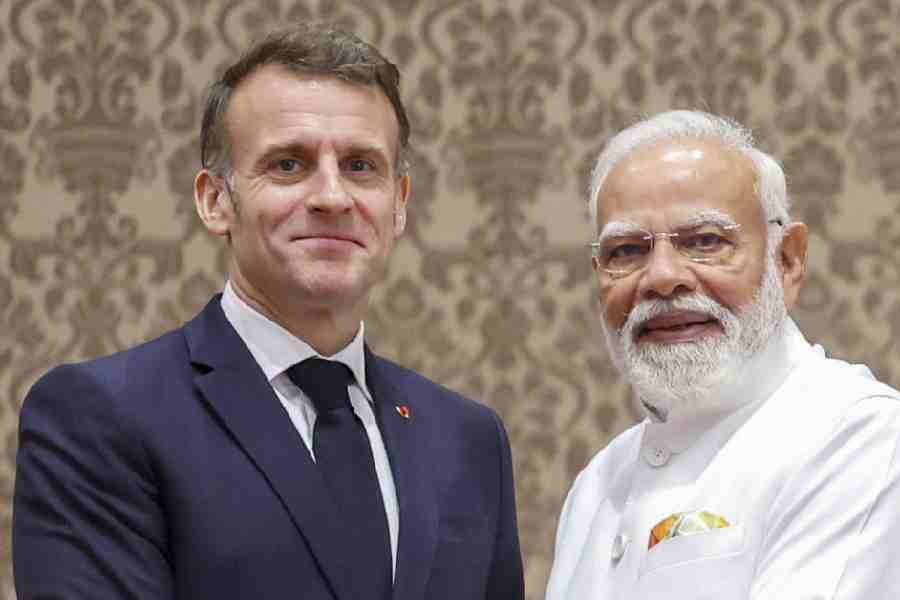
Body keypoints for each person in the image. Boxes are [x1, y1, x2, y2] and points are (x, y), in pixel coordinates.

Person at [13, 24, 524, 600]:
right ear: (214, 201)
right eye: (288, 165)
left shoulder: (468, 441)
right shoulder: (100, 419)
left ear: (399, 204)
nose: (332, 196)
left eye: (361, 166)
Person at [545, 110, 900, 599]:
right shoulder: (597, 484)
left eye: (706, 241)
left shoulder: (859, 439)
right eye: (626, 251)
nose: (662, 278)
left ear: (788, 259)